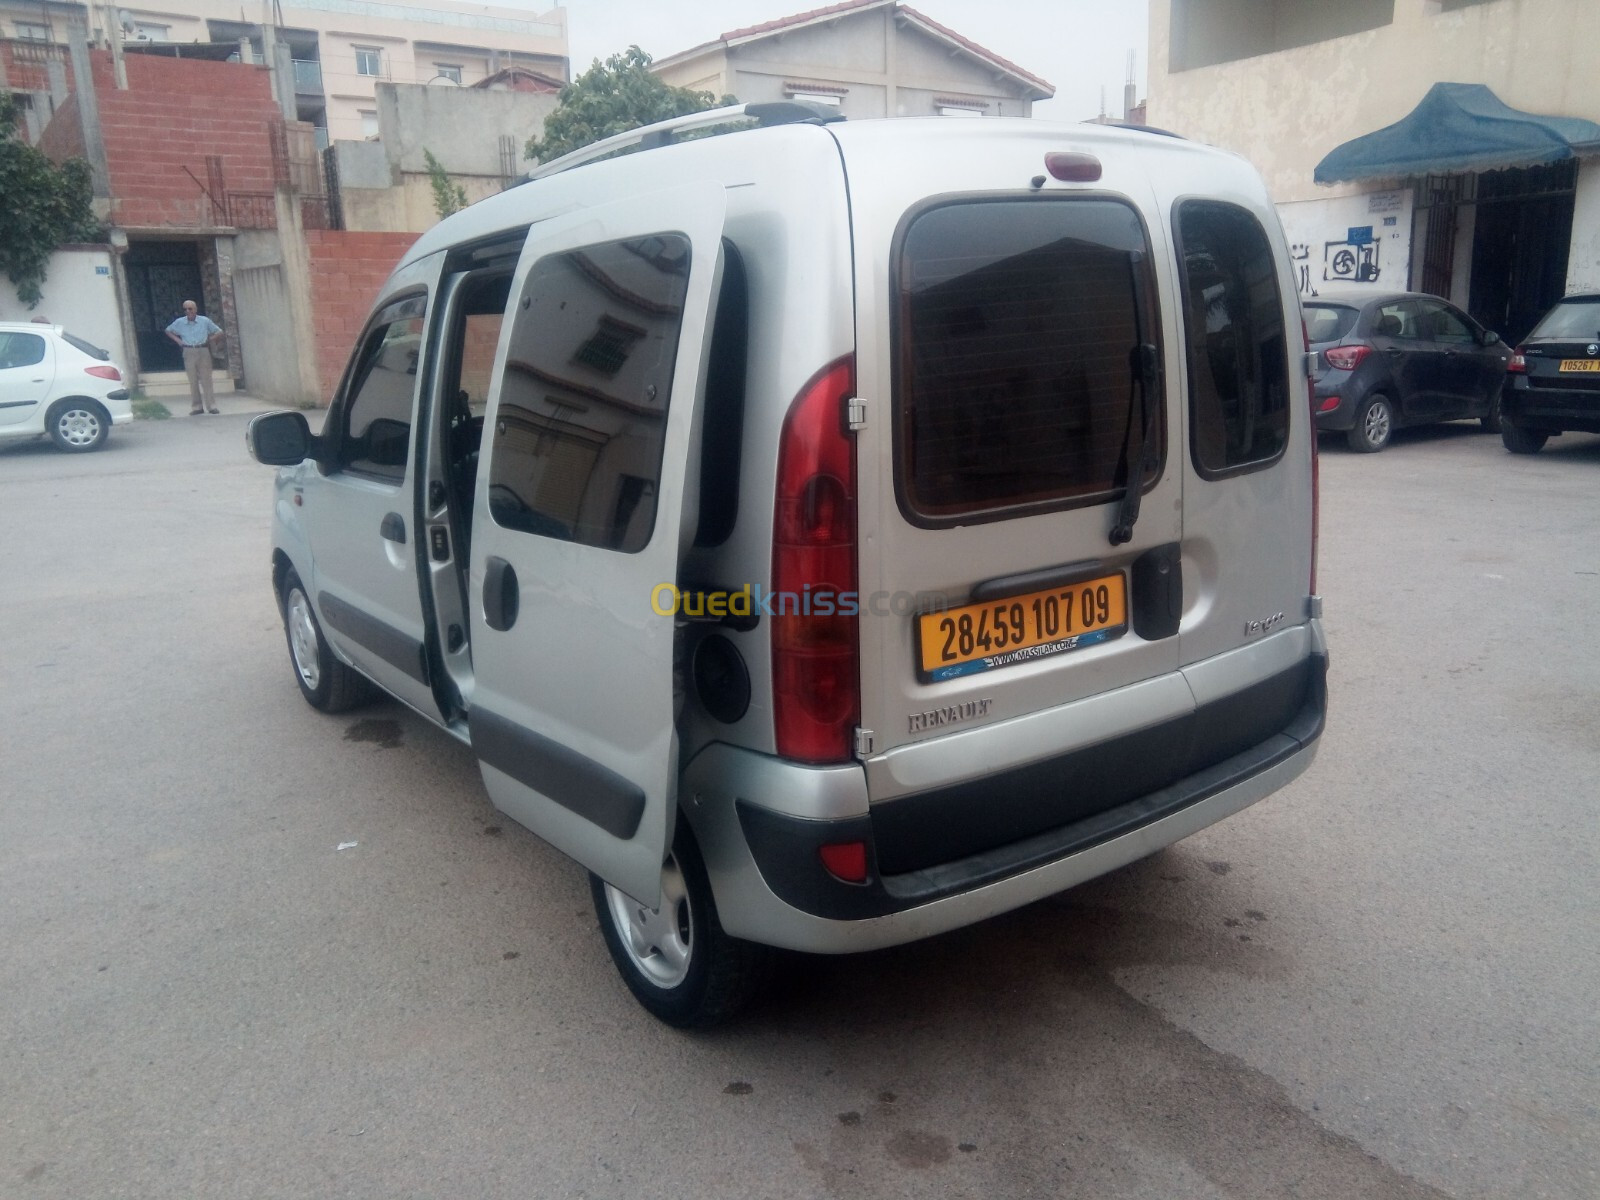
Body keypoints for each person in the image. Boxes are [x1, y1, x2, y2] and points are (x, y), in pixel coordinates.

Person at [165, 300, 224, 415]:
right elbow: (168, 330)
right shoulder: (180, 322)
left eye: (190, 309)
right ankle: (197, 407)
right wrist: (178, 341)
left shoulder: (204, 321)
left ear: (195, 309)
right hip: (188, 350)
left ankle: (211, 406)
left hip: (203, 350)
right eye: (185, 309)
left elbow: (219, 331)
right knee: (193, 380)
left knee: (206, 379)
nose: (188, 311)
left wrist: (210, 339)